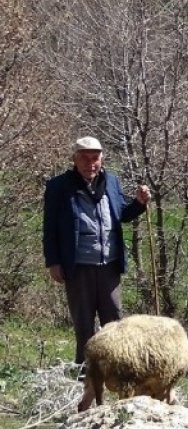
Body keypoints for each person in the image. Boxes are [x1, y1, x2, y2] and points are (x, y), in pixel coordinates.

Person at [42, 136, 152, 364]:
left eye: (95, 158)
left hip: (109, 265)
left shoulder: (111, 181)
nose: (90, 163)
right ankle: (86, 374)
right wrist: (53, 262)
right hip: (78, 265)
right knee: (84, 325)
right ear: (74, 159)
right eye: (84, 158)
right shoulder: (59, 186)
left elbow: (121, 213)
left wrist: (140, 203)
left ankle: (115, 370)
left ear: (102, 159)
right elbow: (49, 227)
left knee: (114, 322)